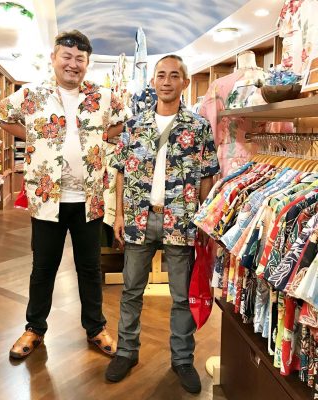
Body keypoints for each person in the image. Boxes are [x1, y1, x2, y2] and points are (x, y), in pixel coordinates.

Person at [0, 30, 130, 359]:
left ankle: (95, 327)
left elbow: (125, 121)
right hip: (47, 199)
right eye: (66, 57)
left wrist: (100, 137)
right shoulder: (33, 94)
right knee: (43, 268)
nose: (73, 64)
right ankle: (34, 328)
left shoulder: (103, 97)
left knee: (90, 268)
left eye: (80, 59)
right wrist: (33, 134)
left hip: (89, 200)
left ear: (87, 63)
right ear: (54, 58)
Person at [105, 55, 220, 393]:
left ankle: (182, 359)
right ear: (153, 81)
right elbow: (121, 172)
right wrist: (120, 216)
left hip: (181, 220)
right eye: (161, 75)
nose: (166, 81)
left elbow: (207, 177)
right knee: (131, 290)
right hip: (139, 217)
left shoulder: (198, 127)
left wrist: (203, 221)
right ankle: (126, 352)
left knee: (181, 295)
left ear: (185, 82)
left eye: (174, 75)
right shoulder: (134, 125)